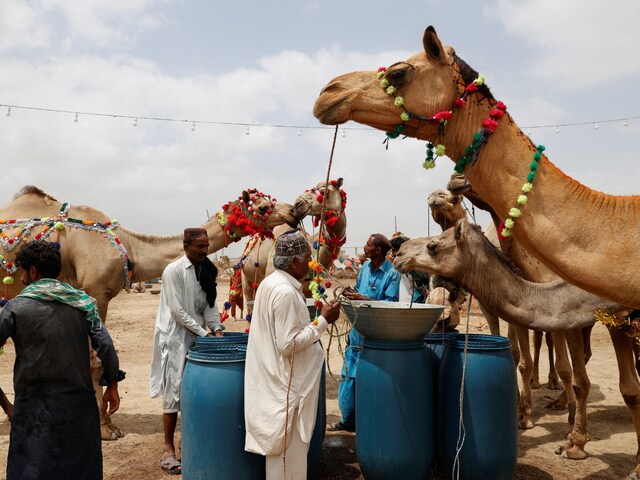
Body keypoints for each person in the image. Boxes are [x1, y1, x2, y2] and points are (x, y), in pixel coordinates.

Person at [0, 241, 124, 480]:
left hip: (32, 409)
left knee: (31, 468)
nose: (22, 277)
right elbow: (106, 346)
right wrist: (113, 385)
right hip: (78, 408)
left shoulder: (15, 308)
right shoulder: (83, 305)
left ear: (33, 271)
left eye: (23, 271)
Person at [244, 230, 341, 480]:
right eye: (308, 256)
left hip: (281, 388)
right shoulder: (285, 292)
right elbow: (289, 344)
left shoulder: (271, 284)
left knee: (283, 463)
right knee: (289, 463)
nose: (311, 261)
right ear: (295, 262)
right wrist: (322, 321)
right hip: (287, 392)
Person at [150, 227, 224, 475]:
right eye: (200, 246)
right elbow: (177, 312)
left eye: (207, 246)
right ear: (186, 247)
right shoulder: (174, 271)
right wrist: (205, 334)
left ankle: (188, 440)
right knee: (174, 390)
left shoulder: (207, 270)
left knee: (194, 389)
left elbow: (209, 305)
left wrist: (216, 328)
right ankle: (168, 449)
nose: (205, 250)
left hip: (197, 336)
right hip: (175, 337)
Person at [329, 233, 401, 432]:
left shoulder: (392, 274)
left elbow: (391, 305)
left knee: (369, 382)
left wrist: (363, 298)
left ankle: (368, 425)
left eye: (368, 245)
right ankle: (347, 420)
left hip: (375, 339)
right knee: (347, 383)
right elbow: (360, 295)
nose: (364, 247)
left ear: (378, 250)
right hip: (356, 335)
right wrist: (352, 295)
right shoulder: (364, 270)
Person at [389, 234, 430, 304]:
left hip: (413, 305)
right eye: (393, 250)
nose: (394, 253)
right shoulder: (398, 265)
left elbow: (423, 288)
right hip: (402, 304)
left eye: (396, 250)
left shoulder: (413, 266)